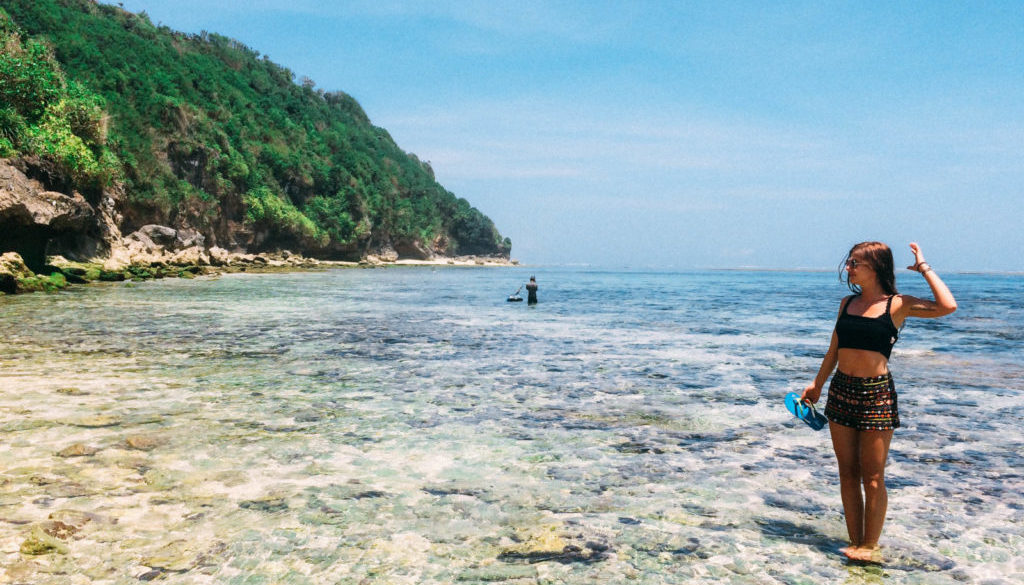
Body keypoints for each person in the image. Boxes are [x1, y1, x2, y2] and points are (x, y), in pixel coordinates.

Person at [801, 241, 956, 562]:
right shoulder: (847, 303)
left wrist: (924, 268)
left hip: (877, 394)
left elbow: (947, 306)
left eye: (855, 263)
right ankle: (854, 541)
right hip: (841, 391)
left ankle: (870, 546)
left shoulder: (897, 305)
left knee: (872, 476)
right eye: (849, 263)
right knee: (847, 472)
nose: (849, 268)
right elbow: (834, 349)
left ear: (876, 268)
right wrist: (817, 384)